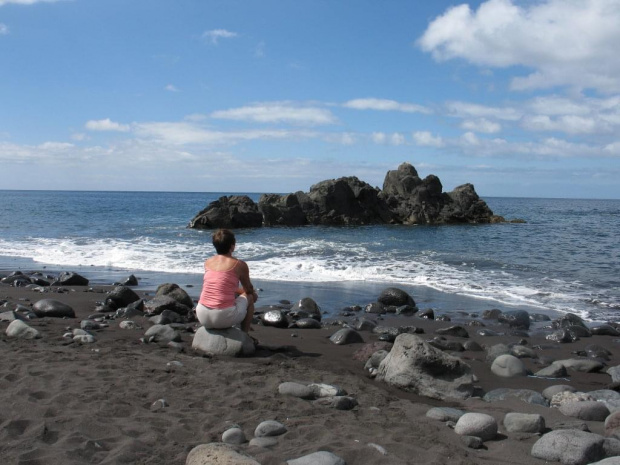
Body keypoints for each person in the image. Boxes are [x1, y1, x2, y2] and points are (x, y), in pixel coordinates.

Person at [196, 229, 257, 333]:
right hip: (222, 317)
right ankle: (245, 334)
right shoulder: (239, 265)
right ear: (232, 246)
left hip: (202, 315)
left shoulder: (208, 262)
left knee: (232, 294)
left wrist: (239, 291)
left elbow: (222, 285)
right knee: (251, 297)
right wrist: (252, 294)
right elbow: (249, 289)